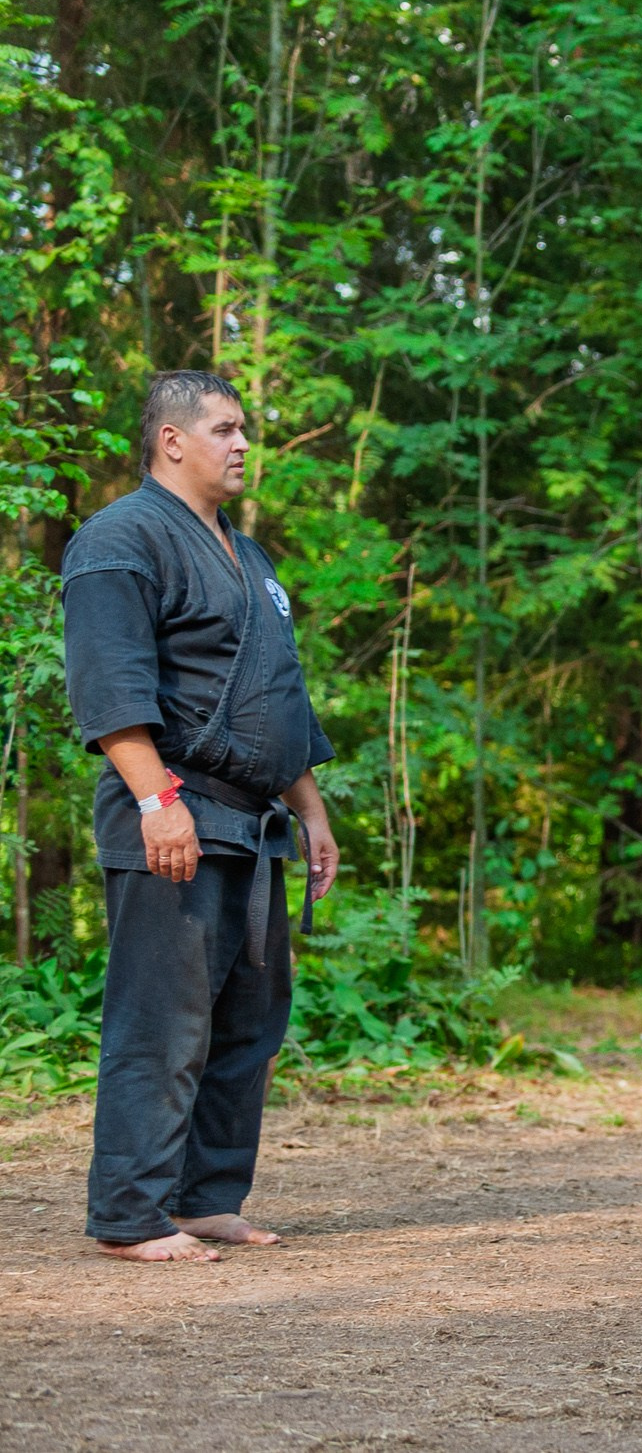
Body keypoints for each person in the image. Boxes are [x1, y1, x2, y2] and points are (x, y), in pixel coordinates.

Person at [62, 371, 342, 1263]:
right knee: (163, 1019)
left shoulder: (249, 557)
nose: (243, 443)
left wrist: (311, 808)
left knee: (247, 1022)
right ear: (171, 441)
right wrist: (157, 800)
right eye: (225, 428)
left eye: (245, 428)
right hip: (173, 812)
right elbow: (109, 688)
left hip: (251, 822)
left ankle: (205, 1195)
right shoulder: (120, 539)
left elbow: (278, 695)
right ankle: (131, 1212)